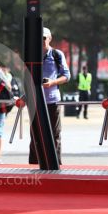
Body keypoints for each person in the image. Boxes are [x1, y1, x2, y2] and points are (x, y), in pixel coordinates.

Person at [29, 27, 70, 165]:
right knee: (35, 136)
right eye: (39, 39)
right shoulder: (32, 55)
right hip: (35, 101)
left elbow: (66, 76)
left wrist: (52, 82)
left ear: (50, 38)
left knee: (55, 135)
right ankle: (33, 166)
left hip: (52, 100)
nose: (41, 41)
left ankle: (57, 165)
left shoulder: (57, 54)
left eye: (44, 38)